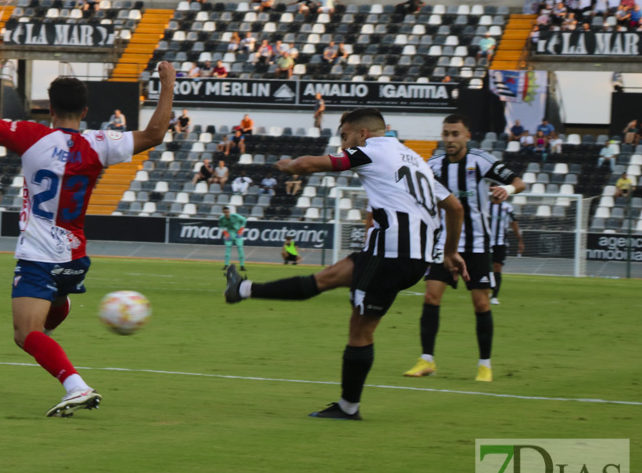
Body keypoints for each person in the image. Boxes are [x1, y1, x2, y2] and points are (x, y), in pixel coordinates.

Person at [223, 107, 468, 420]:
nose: (343, 143)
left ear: (362, 133)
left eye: (345, 136)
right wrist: (449, 253)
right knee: (326, 279)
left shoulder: (370, 150)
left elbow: (316, 163)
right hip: (414, 258)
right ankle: (241, 289)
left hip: (389, 253)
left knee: (360, 330)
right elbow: (455, 207)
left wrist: (289, 166)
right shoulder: (414, 159)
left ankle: (349, 407)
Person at [0, 61, 175, 417]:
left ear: (49, 108)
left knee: (25, 334)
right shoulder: (100, 143)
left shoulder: (32, 135)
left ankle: (76, 386)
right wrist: (167, 86)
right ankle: (60, 302)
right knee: (44, 322)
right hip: (75, 258)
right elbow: (154, 134)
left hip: (38, 255)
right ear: (86, 110)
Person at [404, 114, 525, 383]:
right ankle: (426, 360)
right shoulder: (432, 165)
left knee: (481, 303)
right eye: (446, 133)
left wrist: (506, 189)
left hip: (477, 245)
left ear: (467, 136)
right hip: (444, 244)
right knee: (431, 297)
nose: (449, 139)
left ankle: (484, 365)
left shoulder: (481, 161)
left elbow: (519, 181)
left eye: (455, 134)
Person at [487, 196, 523, 306]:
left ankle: (494, 296)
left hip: (500, 243)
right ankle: (487, 290)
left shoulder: (507, 207)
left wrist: (520, 241)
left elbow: (514, 223)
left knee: (497, 267)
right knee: (486, 268)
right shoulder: (485, 205)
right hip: (484, 242)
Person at [218, 206, 247, 271]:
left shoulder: (235, 216)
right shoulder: (222, 218)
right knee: (227, 249)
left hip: (237, 233)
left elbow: (244, 220)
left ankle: (242, 265)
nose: (226, 213)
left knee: (240, 248)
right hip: (229, 233)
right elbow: (221, 225)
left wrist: (241, 230)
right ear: (223, 212)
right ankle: (226, 264)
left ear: (229, 211)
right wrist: (225, 233)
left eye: (227, 212)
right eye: (225, 212)